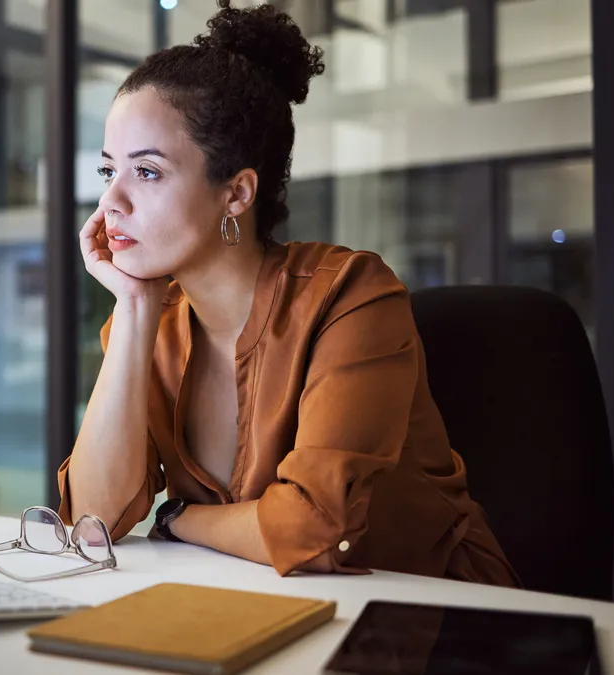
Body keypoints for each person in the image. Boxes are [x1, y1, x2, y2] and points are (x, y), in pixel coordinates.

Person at [57, 0, 519, 587]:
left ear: (236, 193)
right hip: (259, 607)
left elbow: (314, 530)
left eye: (146, 172)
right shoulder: (150, 325)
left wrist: (178, 518)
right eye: (108, 171)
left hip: (429, 619)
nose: (111, 203)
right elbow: (94, 519)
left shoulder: (350, 296)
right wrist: (136, 306)